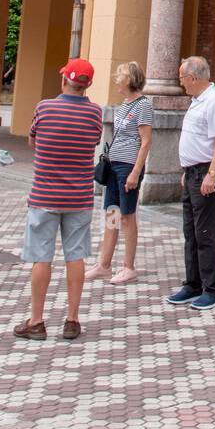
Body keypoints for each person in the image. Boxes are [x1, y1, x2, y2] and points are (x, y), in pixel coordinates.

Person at [14, 58, 102, 342]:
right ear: (88, 85)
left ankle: (37, 320)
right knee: (75, 256)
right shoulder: (95, 114)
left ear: (65, 80)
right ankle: (72, 319)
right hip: (79, 196)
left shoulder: (45, 107)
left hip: (45, 195)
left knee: (42, 257)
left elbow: (33, 140)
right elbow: (94, 141)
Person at [166, 56, 215, 311]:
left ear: (193, 78)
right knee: (190, 231)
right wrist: (188, 169)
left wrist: (211, 174)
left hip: (207, 172)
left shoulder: (214, 102)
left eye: (182, 78)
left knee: (205, 232)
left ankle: (213, 290)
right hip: (193, 172)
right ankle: (193, 284)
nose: (181, 84)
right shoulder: (196, 101)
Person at [85, 61, 153, 285]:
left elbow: (145, 142)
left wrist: (135, 172)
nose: (116, 79)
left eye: (120, 75)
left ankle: (128, 266)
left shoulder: (143, 105)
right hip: (114, 165)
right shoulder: (122, 106)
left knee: (127, 215)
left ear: (130, 80)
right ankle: (104, 264)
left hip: (128, 166)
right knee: (111, 213)